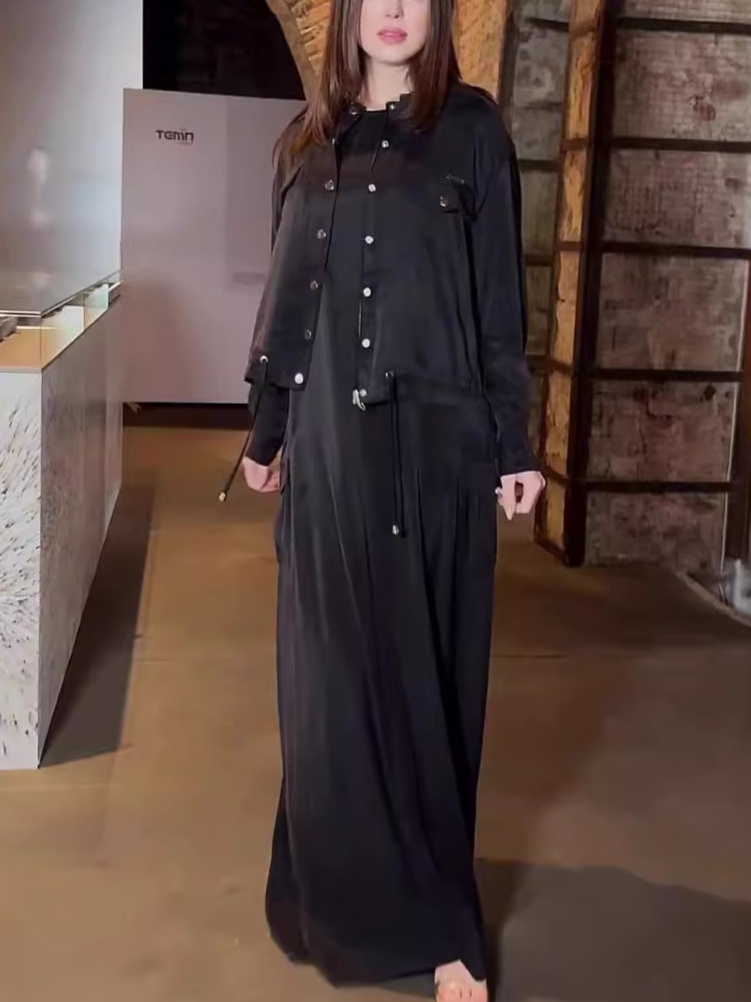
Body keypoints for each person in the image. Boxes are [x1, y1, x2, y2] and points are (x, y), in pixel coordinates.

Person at [240, 0, 545, 998]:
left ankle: (445, 926)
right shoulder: (306, 143)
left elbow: (498, 304)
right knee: (327, 688)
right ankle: (331, 897)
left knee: (424, 683)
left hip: (434, 451)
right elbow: (286, 302)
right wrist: (267, 433)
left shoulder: (472, 131)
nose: (394, 9)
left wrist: (513, 443)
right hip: (329, 450)